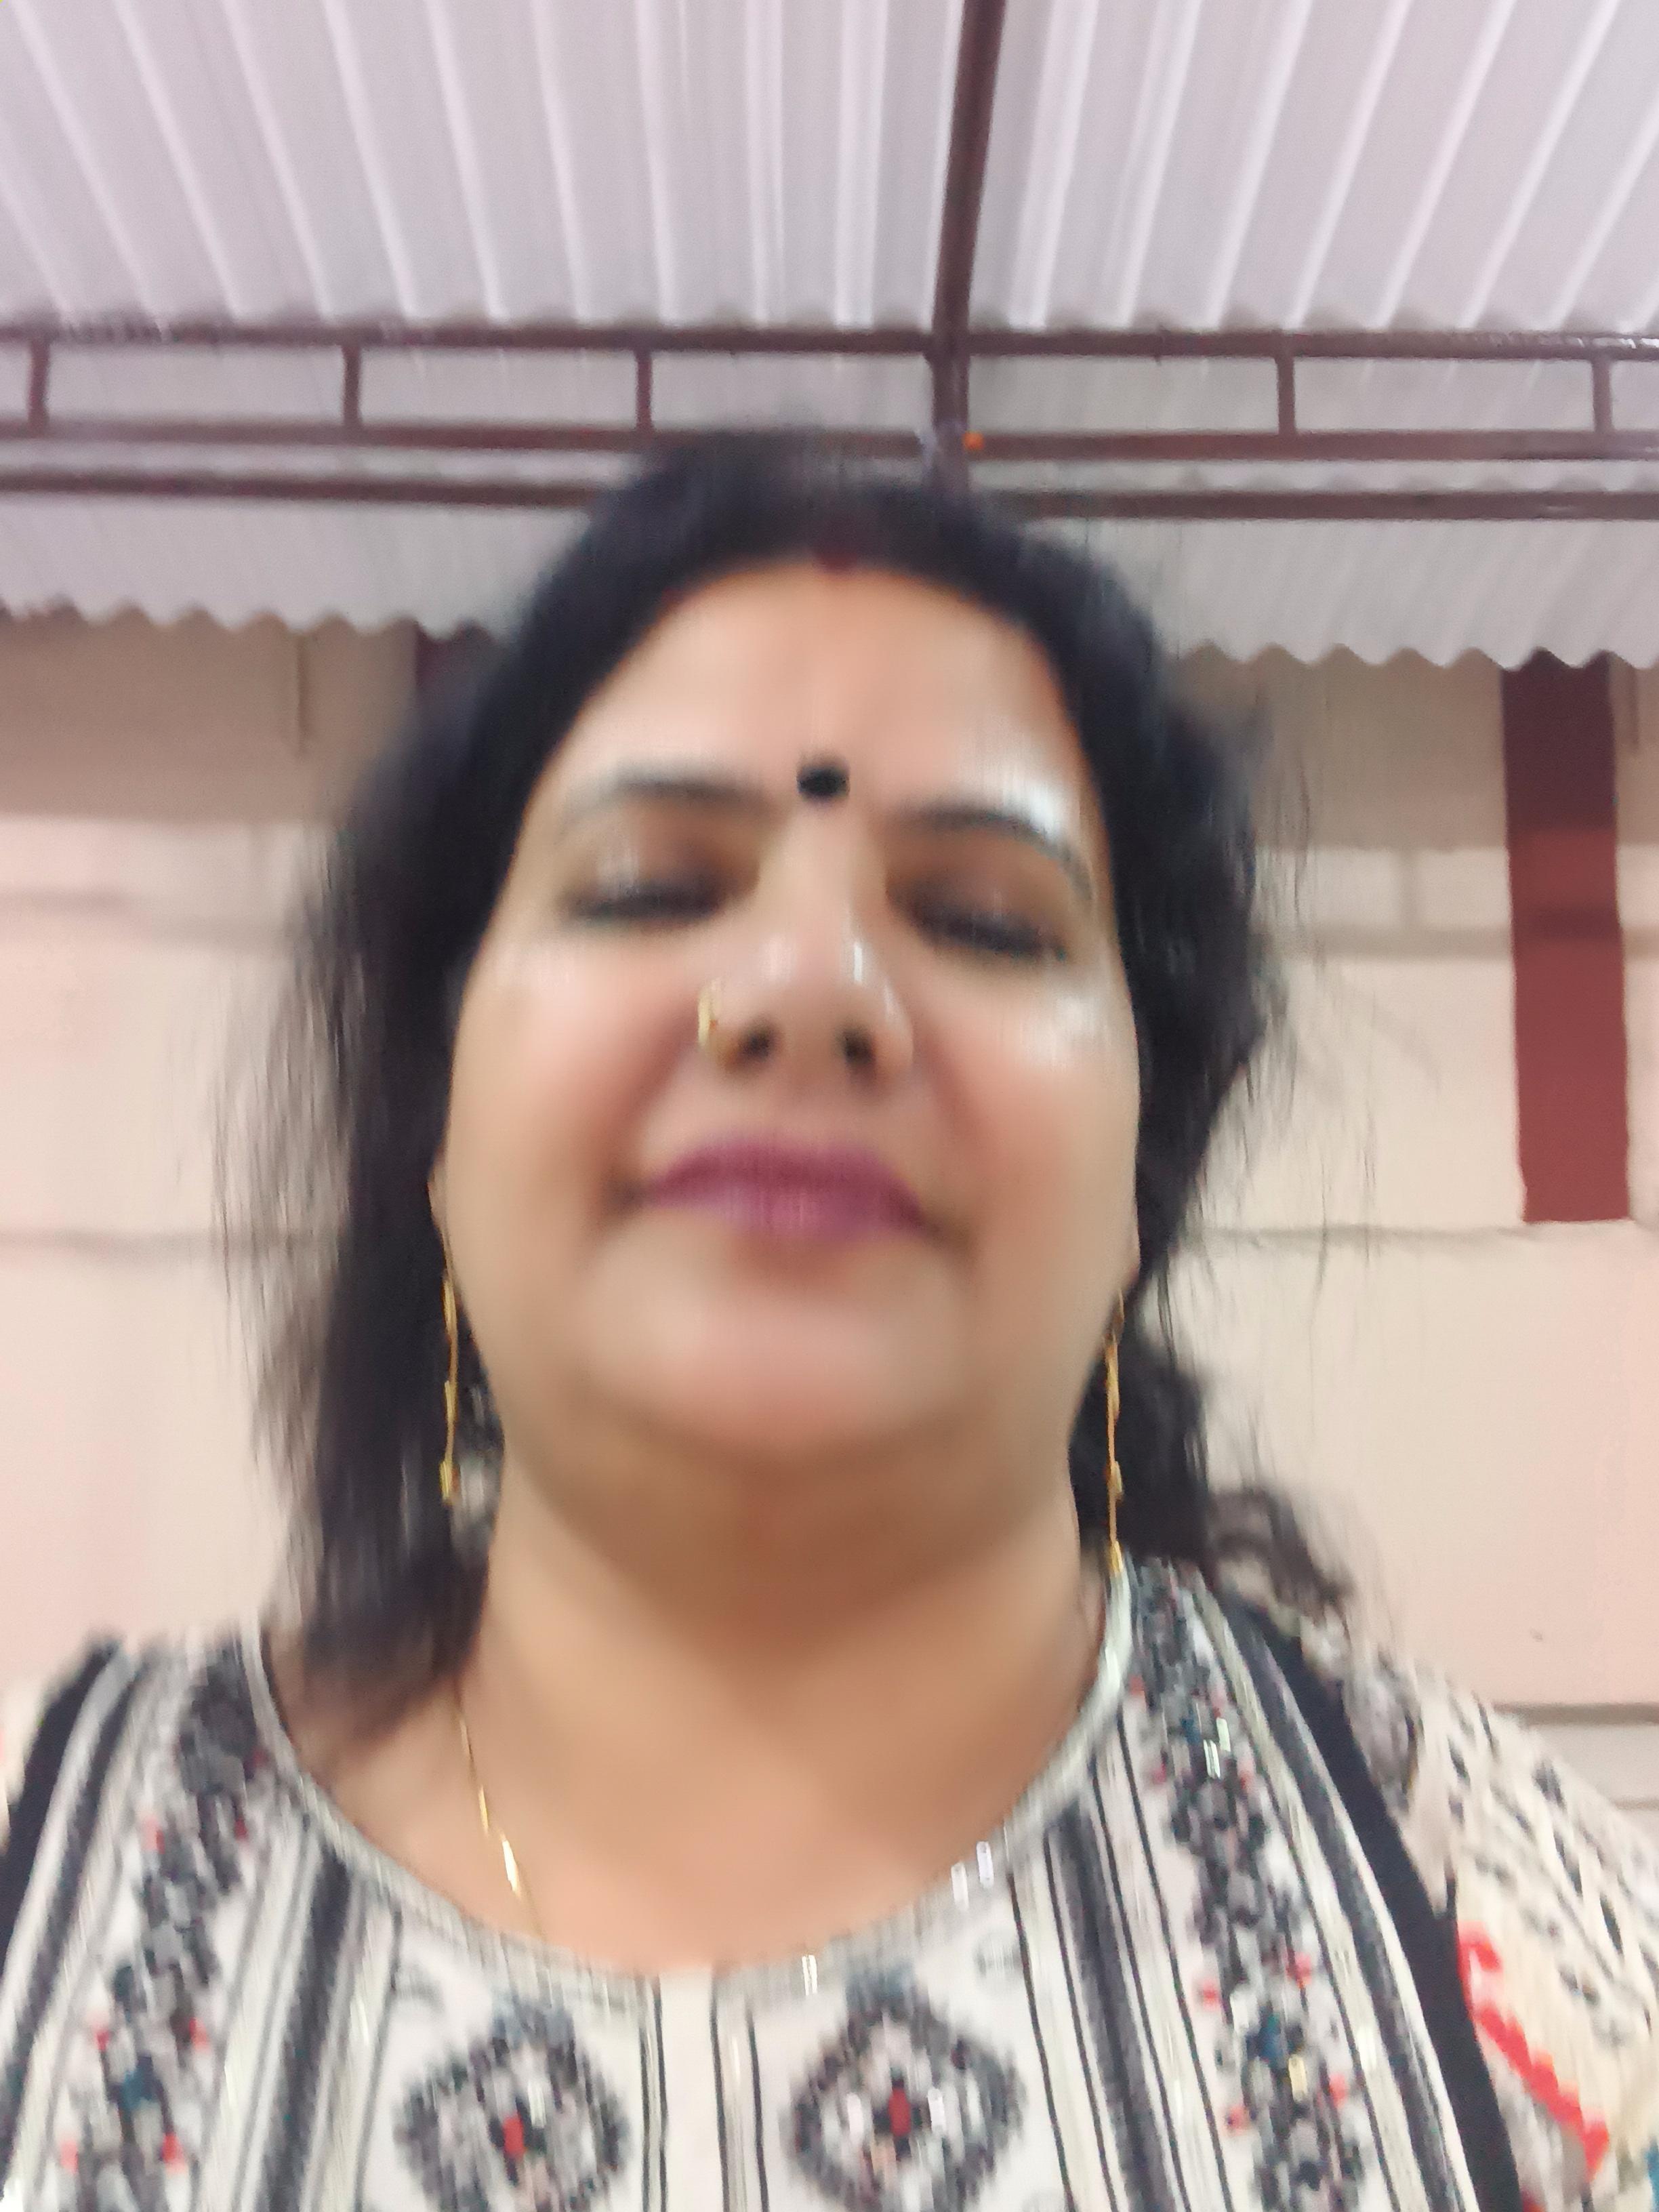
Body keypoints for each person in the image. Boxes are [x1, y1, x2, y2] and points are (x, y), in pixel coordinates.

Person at [0, 438, 1653, 2212]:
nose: (807, 985)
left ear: (1138, 1187)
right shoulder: (45, 1867)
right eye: (648, 887)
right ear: (439, 1129)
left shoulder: (1503, 1937)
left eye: (983, 919)